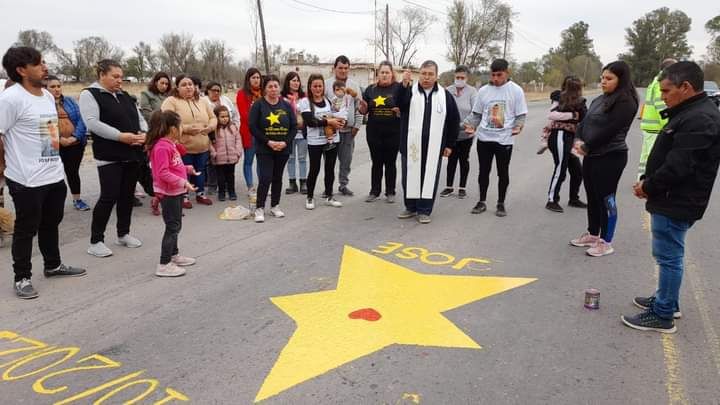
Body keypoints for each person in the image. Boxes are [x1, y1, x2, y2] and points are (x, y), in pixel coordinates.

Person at [622, 61, 720, 333]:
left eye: (666, 91)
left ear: (685, 87)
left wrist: (648, 186)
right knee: (669, 253)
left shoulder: (700, 118)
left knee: (668, 256)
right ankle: (668, 301)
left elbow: (680, 165)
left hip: (677, 200)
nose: (663, 97)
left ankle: (663, 314)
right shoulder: (692, 111)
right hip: (675, 197)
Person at [1, 47, 86, 298]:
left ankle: (53, 265)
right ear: (21, 70)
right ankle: (22, 277)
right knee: (26, 229)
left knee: (51, 223)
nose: (45, 67)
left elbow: (49, 131)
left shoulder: (47, 96)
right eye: (39, 64)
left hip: (53, 174)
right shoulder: (11, 99)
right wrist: (5, 167)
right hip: (26, 179)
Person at [80, 59, 148, 258]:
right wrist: (120, 136)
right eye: (115, 76)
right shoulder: (90, 94)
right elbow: (92, 123)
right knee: (108, 196)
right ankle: (96, 240)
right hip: (109, 154)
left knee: (127, 196)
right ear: (102, 74)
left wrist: (145, 133)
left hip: (132, 152)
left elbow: (140, 118)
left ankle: (123, 233)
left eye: (121, 77)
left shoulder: (124, 95)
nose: (120, 81)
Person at [570, 61, 639, 257]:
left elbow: (611, 130)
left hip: (611, 156)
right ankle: (593, 234)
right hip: (591, 156)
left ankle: (606, 241)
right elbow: (585, 122)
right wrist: (578, 139)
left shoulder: (626, 102)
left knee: (606, 199)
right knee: (592, 195)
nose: (603, 82)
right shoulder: (600, 99)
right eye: (602, 78)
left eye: (609, 79)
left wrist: (588, 146)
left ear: (621, 79)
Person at [396, 60, 461, 224]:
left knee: (429, 176)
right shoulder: (409, 92)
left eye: (430, 74)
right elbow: (398, 104)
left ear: (436, 76)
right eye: (424, 73)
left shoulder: (444, 95)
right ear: (420, 74)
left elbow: (453, 121)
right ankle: (410, 207)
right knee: (409, 176)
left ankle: (424, 210)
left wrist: (449, 144)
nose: (426, 77)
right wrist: (403, 84)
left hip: (435, 146)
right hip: (410, 145)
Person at [463, 59, 528, 217]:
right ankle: (482, 201)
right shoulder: (484, 91)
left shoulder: (516, 90)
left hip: (504, 139)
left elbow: (521, 115)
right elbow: (477, 114)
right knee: (483, 171)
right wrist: (469, 125)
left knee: (502, 172)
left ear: (507, 72)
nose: (496, 78)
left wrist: (519, 126)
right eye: (493, 75)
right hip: (484, 138)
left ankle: (500, 203)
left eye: (499, 75)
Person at [146, 110, 198, 277]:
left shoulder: (170, 144)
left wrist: (187, 169)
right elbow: (162, 173)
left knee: (176, 225)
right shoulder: (161, 147)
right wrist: (183, 182)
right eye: (180, 125)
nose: (182, 128)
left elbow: (174, 166)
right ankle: (163, 263)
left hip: (175, 191)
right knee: (172, 226)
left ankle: (173, 255)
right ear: (172, 129)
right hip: (168, 193)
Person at [161, 74, 217, 208]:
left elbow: (213, 117)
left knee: (200, 170)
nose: (188, 87)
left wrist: (210, 127)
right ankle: (183, 196)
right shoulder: (171, 101)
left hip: (202, 145)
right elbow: (167, 121)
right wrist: (185, 129)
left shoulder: (203, 101)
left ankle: (200, 194)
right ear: (177, 87)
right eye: (184, 85)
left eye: (190, 84)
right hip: (182, 146)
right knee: (182, 171)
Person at [249, 74, 297, 222]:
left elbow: (294, 126)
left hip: (283, 148)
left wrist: (285, 142)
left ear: (279, 88)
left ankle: (275, 205)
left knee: (277, 178)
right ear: (264, 89)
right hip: (265, 148)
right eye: (270, 86)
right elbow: (253, 126)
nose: (273, 89)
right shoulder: (258, 105)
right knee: (265, 178)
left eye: (276, 86)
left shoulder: (286, 105)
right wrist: (268, 141)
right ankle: (259, 208)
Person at [358, 61, 403, 203]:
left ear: (392, 74)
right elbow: (363, 111)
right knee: (376, 162)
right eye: (382, 72)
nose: (384, 75)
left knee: (390, 162)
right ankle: (374, 191)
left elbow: (406, 107)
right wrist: (363, 107)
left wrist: (401, 111)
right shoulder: (370, 90)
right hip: (374, 133)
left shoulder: (398, 88)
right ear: (378, 74)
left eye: (387, 72)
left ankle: (390, 191)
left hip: (393, 132)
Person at [299, 74, 346, 210]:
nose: (318, 88)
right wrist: (328, 121)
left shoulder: (329, 101)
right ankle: (310, 196)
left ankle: (329, 196)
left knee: (330, 168)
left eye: (320, 86)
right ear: (310, 87)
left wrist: (339, 122)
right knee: (314, 169)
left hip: (332, 139)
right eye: (315, 86)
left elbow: (336, 116)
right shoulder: (305, 102)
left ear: (324, 87)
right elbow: (310, 122)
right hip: (315, 141)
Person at [45, 75, 91, 211]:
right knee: (52, 173)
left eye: (58, 86)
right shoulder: (43, 104)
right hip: (53, 145)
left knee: (72, 172)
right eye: (52, 87)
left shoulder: (70, 101)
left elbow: (82, 120)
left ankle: (77, 200)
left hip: (74, 144)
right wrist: (59, 138)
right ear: (45, 88)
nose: (56, 89)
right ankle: (50, 203)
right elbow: (44, 123)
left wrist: (75, 137)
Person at [544, 76, 587, 213]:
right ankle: (552, 200)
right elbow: (552, 115)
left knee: (577, 170)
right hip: (559, 136)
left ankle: (573, 198)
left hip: (571, 137)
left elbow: (584, 118)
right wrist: (573, 116)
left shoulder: (581, 102)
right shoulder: (559, 98)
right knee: (560, 168)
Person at [325, 55, 363, 197]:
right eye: (340, 68)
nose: (343, 71)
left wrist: (357, 126)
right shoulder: (327, 84)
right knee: (329, 160)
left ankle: (343, 185)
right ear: (334, 68)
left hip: (348, 130)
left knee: (346, 160)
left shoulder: (354, 85)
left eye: (346, 68)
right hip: (331, 130)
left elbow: (359, 107)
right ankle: (328, 187)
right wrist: (326, 123)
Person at [440, 65, 477, 199]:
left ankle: (462, 187)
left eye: (462, 77)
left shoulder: (472, 92)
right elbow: (443, 110)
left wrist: (461, 125)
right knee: (451, 160)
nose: (459, 79)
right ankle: (449, 186)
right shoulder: (448, 91)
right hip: (451, 134)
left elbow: (474, 112)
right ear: (454, 77)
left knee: (463, 160)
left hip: (466, 133)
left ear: (467, 78)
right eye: (457, 77)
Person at [638, 58, 677, 178]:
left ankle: (641, 178)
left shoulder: (655, 81)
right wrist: (668, 125)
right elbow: (661, 106)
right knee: (653, 156)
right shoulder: (662, 82)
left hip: (649, 126)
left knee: (645, 156)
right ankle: (649, 180)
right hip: (656, 127)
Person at [139, 71, 172, 215]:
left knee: (170, 168)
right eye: (161, 83)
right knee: (157, 170)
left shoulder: (169, 97)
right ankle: (157, 199)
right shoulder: (146, 95)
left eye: (166, 84)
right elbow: (147, 113)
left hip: (169, 134)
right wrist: (163, 118)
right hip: (154, 134)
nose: (164, 86)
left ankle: (168, 202)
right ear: (155, 82)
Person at [236, 68, 263, 193]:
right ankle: (250, 186)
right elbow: (244, 114)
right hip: (249, 131)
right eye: (253, 78)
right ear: (248, 79)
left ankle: (262, 185)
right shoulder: (242, 94)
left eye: (258, 77)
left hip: (264, 132)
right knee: (249, 160)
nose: (256, 80)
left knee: (262, 160)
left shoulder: (264, 92)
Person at [281, 71, 308, 195]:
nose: (296, 83)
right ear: (288, 82)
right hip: (288, 133)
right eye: (293, 80)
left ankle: (303, 182)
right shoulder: (283, 98)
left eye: (297, 80)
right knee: (290, 158)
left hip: (302, 132)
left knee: (302, 158)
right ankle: (292, 183)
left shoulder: (304, 97)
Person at [210, 105, 242, 201]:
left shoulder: (233, 127)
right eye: (222, 117)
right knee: (221, 177)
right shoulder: (214, 130)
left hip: (231, 157)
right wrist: (213, 153)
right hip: (219, 158)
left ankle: (232, 192)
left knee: (231, 176)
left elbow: (238, 140)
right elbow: (209, 142)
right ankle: (221, 193)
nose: (225, 119)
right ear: (216, 117)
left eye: (227, 116)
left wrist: (238, 152)